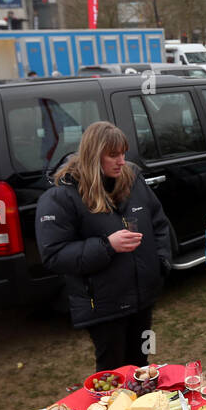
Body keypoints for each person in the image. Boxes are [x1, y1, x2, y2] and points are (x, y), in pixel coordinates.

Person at [36, 121, 172, 372]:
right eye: (113, 155)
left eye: (123, 153)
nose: (121, 161)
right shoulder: (61, 196)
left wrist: (161, 263)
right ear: (93, 154)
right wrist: (107, 246)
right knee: (112, 377)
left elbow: (160, 224)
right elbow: (54, 254)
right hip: (104, 306)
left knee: (141, 368)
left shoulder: (132, 178)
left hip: (142, 299)